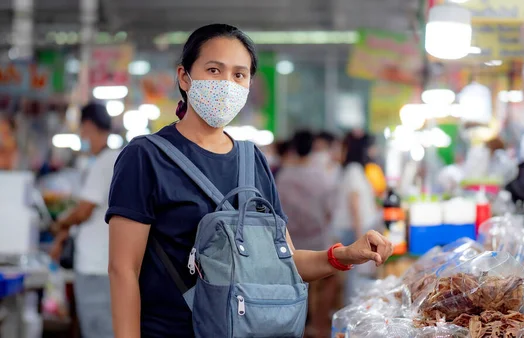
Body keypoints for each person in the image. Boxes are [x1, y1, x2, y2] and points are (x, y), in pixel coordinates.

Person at [105, 24, 393, 338]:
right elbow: (123, 270)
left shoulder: (251, 160)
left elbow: (285, 263)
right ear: (184, 77)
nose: (226, 84)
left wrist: (346, 254)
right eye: (214, 70)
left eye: (239, 75)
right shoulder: (145, 157)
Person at [49, 102, 119, 338]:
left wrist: (60, 224)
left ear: (89, 127)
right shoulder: (112, 159)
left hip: (95, 265)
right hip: (104, 262)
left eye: (81, 130)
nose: (81, 136)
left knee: (98, 329)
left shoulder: (103, 162)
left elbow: (83, 211)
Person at [276, 130, 337, 337]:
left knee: (293, 286)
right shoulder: (321, 176)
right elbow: (330, 210)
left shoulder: (283, 176)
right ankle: (318, 327)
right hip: (316, 239)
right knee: (322, 283)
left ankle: (297, 327)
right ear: (312, 149)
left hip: (290, 241)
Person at [331, 131, 381, 304]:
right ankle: (352, 309)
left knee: (354, 275)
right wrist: (361, 235)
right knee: (355, 275)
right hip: (354, 229)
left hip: (353, 228)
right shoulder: (354, 170)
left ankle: (352, 307)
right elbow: (354, 204)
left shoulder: (353, 170)